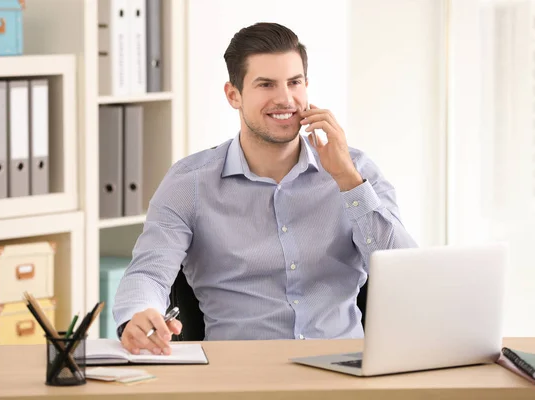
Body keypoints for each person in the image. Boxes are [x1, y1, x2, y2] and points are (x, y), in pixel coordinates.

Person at [113, 22, 417, 355]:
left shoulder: (356, 170)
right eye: (266, 84)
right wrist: (137, 316)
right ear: (234, 95)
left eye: (294, 82)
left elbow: (407, 276)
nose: (285, 98)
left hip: (344, 370)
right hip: (239, 374)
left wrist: (347, 181)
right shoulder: (190, 183)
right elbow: (148, 271)